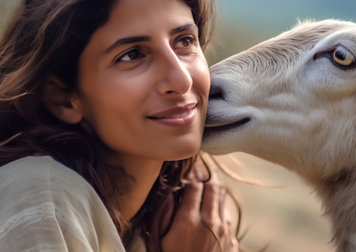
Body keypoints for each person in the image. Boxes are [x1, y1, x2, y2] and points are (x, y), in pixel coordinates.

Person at [0, 0, 239, 251]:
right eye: (132, 55)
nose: (181, 79)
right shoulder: (40, 197)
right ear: (63, 98)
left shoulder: (172, 220)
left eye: (185, 41)